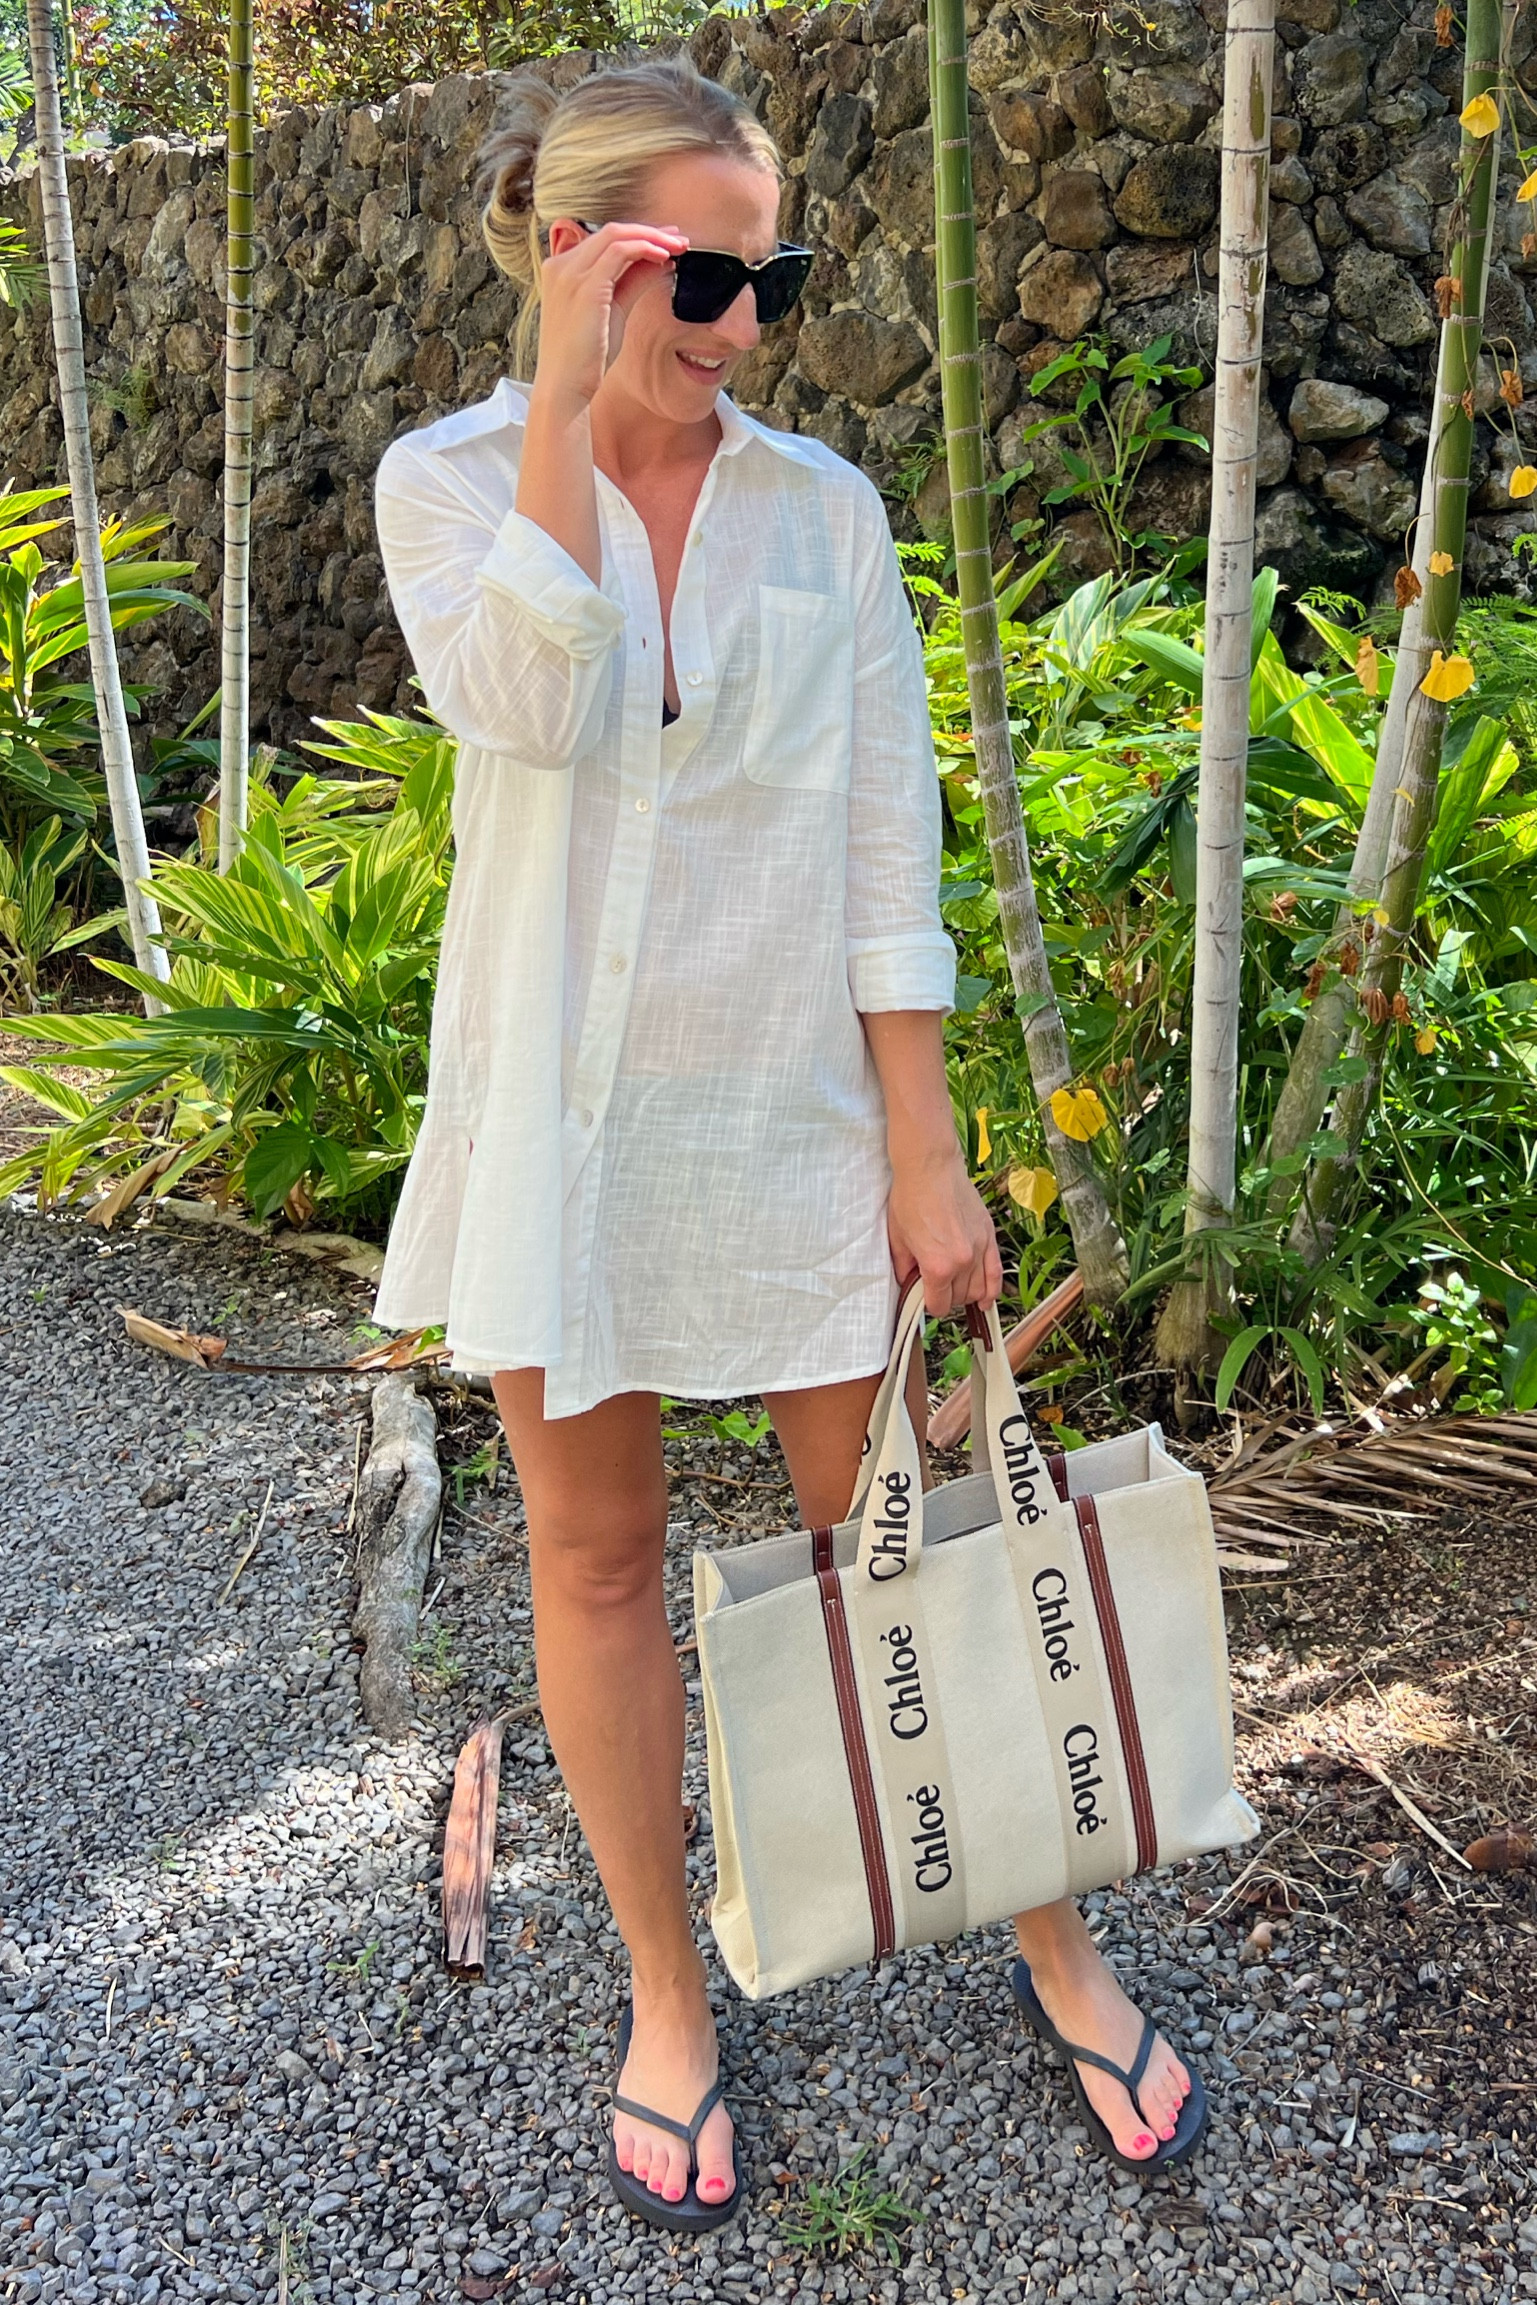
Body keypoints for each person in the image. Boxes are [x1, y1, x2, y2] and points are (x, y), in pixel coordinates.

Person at [372, 55, 1201, 2236]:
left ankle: (1047, 1931)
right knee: (599, 1557)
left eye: (775, 273)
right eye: (698, 275)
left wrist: (925, 1149)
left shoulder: (821, 509)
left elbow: (875, 838)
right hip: (559, 1121)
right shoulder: (451, 486)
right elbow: (527, 706)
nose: (744, 324)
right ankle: (666, 1982)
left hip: (791, 1110)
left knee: (907, 1535)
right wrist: (566, 407)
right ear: (575, 260)